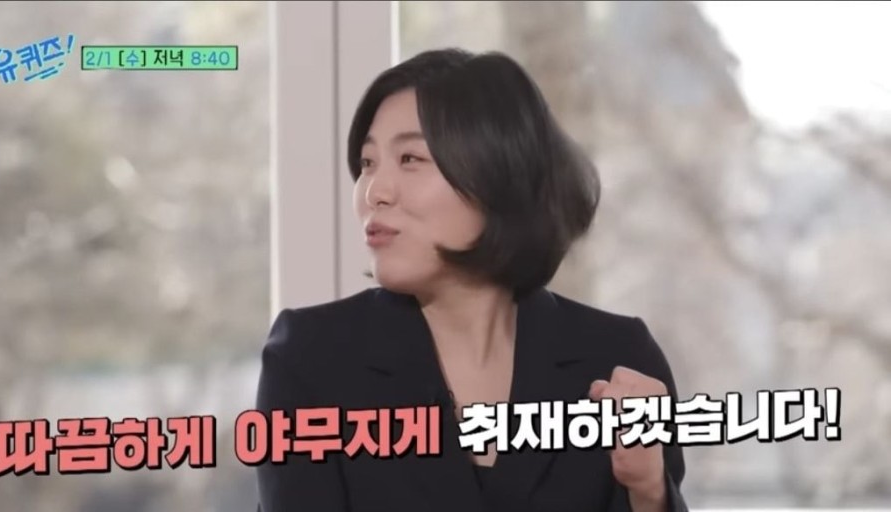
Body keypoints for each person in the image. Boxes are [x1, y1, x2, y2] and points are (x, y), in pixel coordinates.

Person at [255, 48, 687, 512]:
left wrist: (649, 490)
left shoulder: (619, 360)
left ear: (498, 175)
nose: (374, 192)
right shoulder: (311, 359)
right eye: (367, 163)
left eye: (409, 158)